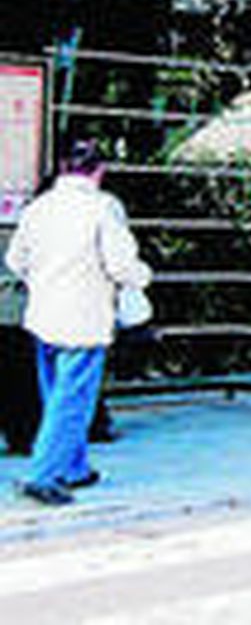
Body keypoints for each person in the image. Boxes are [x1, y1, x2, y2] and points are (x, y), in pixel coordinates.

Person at [4, 140, 151, 505]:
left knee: (55, 394)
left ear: (62, 167)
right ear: (99, 170)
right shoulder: (101, 209)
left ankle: (74, 468)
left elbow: (15, 260)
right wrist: (143, 276)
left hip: (42, 317)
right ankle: (44, 475)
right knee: (72, 402)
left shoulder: (39, 208)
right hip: (84, 320)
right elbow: (121, 266)